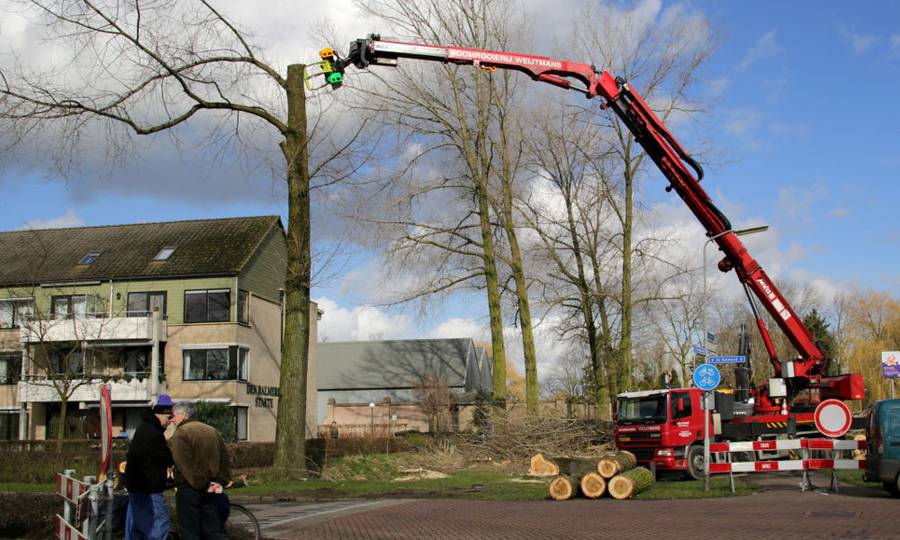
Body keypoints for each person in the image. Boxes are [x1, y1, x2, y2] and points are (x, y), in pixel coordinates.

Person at [168, 402, 232, 540]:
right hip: (211, 487)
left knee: (190, 532)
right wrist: (220, 481)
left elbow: (184, 463)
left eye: (173, 416)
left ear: (183, 415)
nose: (171, 420)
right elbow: (225, 458)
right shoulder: (211, 430)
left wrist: (201, 484)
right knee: (213, 531)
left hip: (190, 489)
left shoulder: (181, 433)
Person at [124, 394, 174, 540]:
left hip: (136, 487)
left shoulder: (144, 428)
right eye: (168, 417)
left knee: (136, 529)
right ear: (160, 414)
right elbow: (167, 458)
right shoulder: (152, 433)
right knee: (158, 526)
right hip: (148, 489)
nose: (169, 421)